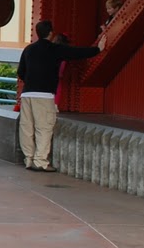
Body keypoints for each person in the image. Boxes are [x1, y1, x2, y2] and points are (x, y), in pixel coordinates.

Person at [14, 20, 100, 172]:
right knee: (44, 128)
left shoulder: (28, 49)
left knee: (26, 127)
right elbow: (76, 53)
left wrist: (31, 80)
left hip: (27, 94)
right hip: (44, 95)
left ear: (37, 33)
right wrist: (98, 49)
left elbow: (21, 71)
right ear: (50, 33)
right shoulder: (55, 49)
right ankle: (40, 161)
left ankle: (28, 159)